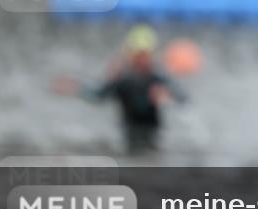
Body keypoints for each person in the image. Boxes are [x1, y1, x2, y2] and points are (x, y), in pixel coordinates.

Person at [52, 25, 186, 154]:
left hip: (154, 134)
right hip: (130, 136)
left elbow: (182, 98)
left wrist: (166, 96)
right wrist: (76, 88)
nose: (142, 60)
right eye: (138, 55)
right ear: (130, 55)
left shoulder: (158, 78)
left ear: (152, 55)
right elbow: (99, 95)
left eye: (145, 55)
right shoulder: (122, 78)